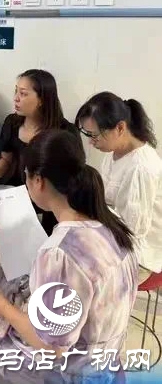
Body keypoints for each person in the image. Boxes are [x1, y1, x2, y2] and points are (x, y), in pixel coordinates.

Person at [0, 130, 138, 384]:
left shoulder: (59, 253)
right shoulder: (112, 224)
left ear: (38, 181)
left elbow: (52, 347)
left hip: (66, 371)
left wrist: (4, 309)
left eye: (26, 175)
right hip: (102, 356)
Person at [0, 69, 79, 235]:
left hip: (49, 196)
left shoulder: (65, 132)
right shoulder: (12, 122)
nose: (16, 98)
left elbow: (70, 177)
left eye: (23, 94)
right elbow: (6, 158)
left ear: (42, 99)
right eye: (16, 91)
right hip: (17, 191)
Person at [76, 92, 161, 281]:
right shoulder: (113, 153)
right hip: (112, 235)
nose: (91, 141)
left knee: (79, 274)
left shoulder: (141, 167)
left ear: (120, 127)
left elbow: (133, 230)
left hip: (138, 253)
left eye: (94, 135)